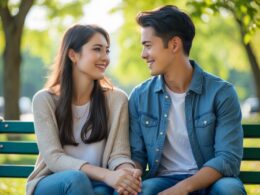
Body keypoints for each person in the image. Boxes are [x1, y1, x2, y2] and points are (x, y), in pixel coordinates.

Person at [129, 5, 246, 195]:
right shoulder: (140, 96)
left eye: (148, 45)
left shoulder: (221, 93)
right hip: (162, 181)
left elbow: (227, 158)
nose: (143, 54)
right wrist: (132, 172)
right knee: (145, 190)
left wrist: (182, 189)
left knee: (229, 190)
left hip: (211, 180)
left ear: (174, 44)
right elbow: (137, 155)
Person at [26, 24, 141, 195]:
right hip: (52, 183)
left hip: (98, 184)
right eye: (97, 49)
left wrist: (125, 172)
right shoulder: (44, 100)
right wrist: (107, 175)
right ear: (73, 54)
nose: (105, 58)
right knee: (76, 179)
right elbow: (54, 159)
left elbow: (119, 154)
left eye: (107, 51)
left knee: (119, 190)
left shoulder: (117, 99)